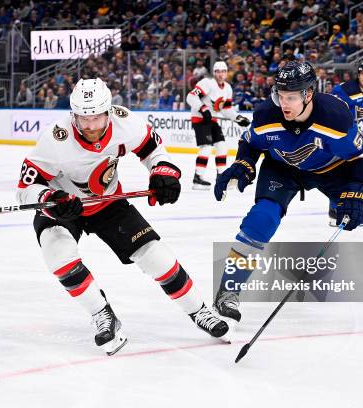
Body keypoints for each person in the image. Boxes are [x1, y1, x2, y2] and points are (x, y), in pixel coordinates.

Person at [16, 78, 230, 355]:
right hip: (64, 206)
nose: (90, 126)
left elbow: (153, 150)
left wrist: (163, 172)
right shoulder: (55, 139)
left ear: (108, 111)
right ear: (73, 115)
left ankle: (199, 310)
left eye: (96, 117)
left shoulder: (125, 123)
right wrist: (48, 199)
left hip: (108, 202)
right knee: (57, 251)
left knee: (156, 256)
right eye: (83, 118)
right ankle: (102, 314)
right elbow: (24, 188)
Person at [212, 61, 363, 326]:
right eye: (280, 96)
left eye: (291, 97)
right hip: (283, 168)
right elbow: (249, 141)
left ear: (309, 94)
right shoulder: (268, 113)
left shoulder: (335, 116)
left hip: (333, 169)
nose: (284, 104)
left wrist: (355, 188)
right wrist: (243, 164)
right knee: (262, 218)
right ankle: (228, 290)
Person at [330, 60, 363, 225]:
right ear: (358, 74)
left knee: (354, 170)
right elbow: (332, 113)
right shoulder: (345, 90)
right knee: (340, 171)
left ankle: (338, 209)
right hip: (335, 133)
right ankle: (337, 209)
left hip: (351, 134)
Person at [186, 61, 250, 190]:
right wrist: (203, 108)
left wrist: (238, 118)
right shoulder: (207, 83)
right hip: (200, 119)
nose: (220, 74)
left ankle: (221, 177)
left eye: (223, 71)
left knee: (222, 147)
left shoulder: (227, 88)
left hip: (212, 120)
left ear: (226, 73)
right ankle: (197, 178)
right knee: (206, 147)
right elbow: (190, 97)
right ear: (214, 73)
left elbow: (226, 110)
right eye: (218, 71)